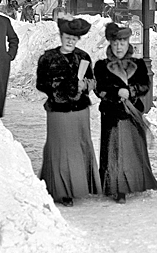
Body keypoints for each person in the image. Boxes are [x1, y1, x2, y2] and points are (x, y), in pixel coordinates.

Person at [36, 17, 100, 207]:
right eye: (67, 37)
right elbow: (41, 84)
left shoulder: (84, 57)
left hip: (80, 111)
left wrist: (85, 85)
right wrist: (69, 86)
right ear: (61, 36)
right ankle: (61, 191)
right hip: (58, 111)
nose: (70, 41)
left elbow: (92, 82)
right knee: (60, 149)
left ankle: (81, 186)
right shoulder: (47, 58)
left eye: (74, 38)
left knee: (79, 147)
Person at [94, 22, 157, 204]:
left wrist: (131, 91)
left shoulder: (137, 64)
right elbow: (99, 89)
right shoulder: (101, 66)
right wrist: (116, 93)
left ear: (128, 43)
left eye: (122, 43)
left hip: (132, 115)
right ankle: (116, 188)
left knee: (133, 151)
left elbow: (145, 86)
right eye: (115, 44)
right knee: (114, 153)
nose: (119, 47)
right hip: (112, 115)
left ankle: (137, 182)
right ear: (110, 45)